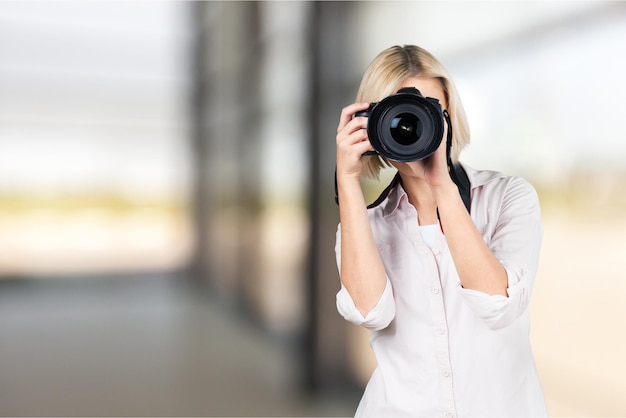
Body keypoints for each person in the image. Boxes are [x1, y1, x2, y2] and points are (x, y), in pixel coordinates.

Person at [334, 44, 548, 418]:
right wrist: (348, 181)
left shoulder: (508, 198)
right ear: (371, 124)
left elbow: (499, 305)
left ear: (450, 117)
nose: (412, 123)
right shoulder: (363, 226)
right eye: (398, 113)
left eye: (430, 111)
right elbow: (371, 312)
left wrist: (442, 186)